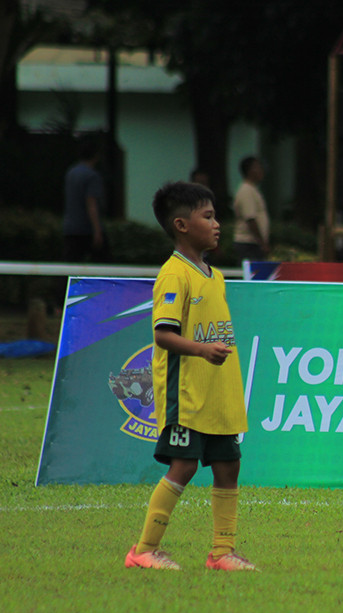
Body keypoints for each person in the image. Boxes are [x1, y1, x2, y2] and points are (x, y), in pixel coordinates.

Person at [125, 181, 256, 570]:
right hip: (186, 395)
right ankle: (143, 551)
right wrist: (203, 350)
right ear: (181, 225)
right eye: (208, 216)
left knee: (229, 466)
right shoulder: (173, 275)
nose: (217, 224)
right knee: (183, 465)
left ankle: (221, 552)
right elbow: (163, 335)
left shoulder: (212, 275)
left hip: (217, 393)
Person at [62, 136, 110, 262]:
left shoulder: (71, 172)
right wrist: (97, 230)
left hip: (70, 227)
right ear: (95, 155)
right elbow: (91, 203)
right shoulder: (92, 176)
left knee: (70, 265)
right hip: (86, 229)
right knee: (102, 264)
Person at [232, 155, 270, 263]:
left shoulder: (253, 189)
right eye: (258, 167)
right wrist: (262, 243)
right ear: (250, 171)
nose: (262, 171)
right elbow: (250, 219)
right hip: (248, 244)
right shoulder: (246, 191)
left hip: (253, 243)